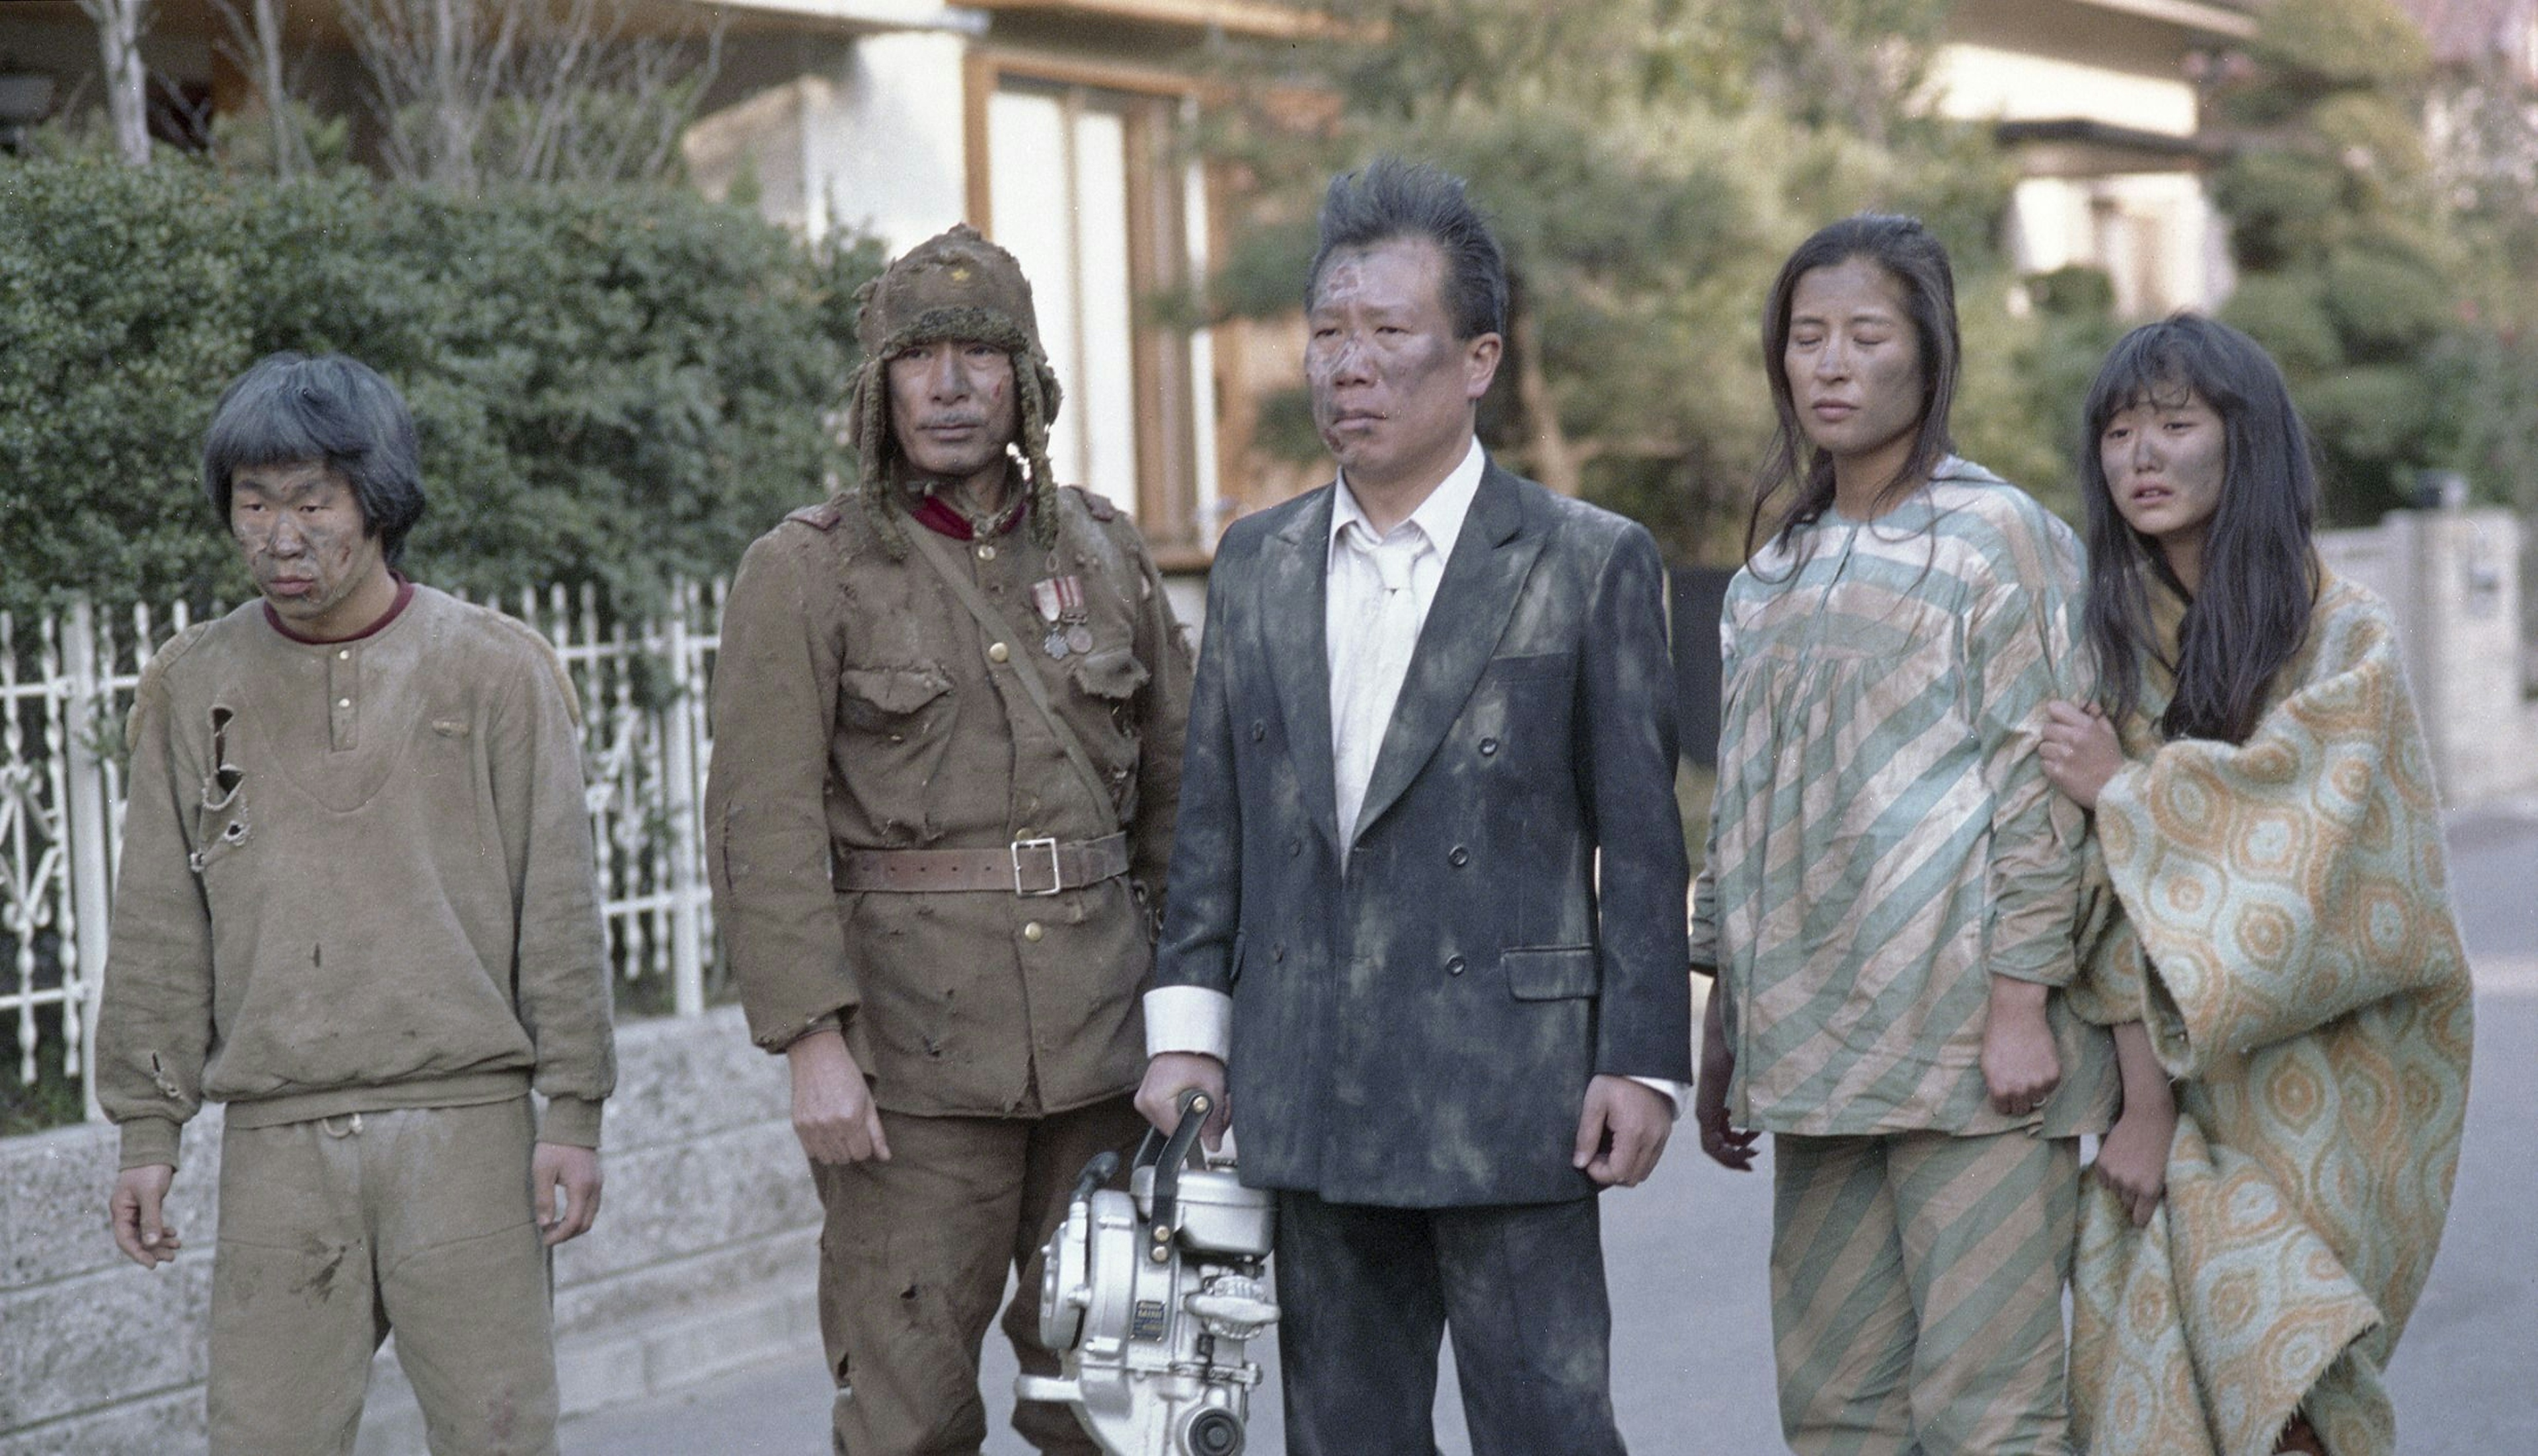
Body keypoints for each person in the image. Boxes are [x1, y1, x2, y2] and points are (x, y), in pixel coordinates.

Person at [1134, 157, 1692, 1455]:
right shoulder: (1259, 559)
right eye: (1328, 333)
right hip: (1311, 1080)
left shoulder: (1585, 557)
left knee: (1550, 1428)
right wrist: (1188, 1034)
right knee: (1343, 1434)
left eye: (1389, 332)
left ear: (1479, 358)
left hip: (1515, 1091)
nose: (1350, 366)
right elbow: (1213, 824)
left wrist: (1642, 1060)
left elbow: (1642, 843)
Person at [705, 223, 1193, 1456]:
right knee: (909, 1418)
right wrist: (811, 1044)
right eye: (920, 357)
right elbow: (762, 828)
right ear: (881, 389)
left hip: (1107, 1056)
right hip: (911, 1075)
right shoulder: (807, 572)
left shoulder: (1106, 550)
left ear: (1026, 381)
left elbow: (1181, 806)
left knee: (1112, 1409)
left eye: (981, 354)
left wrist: (1197, 1024)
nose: (952, 384)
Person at [95, 352, 616, 1455]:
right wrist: (148, 1129)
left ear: (376, 502)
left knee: (500, 1436)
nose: (280, 538)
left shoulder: (496, 669)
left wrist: (573, 1112)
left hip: (467, 1131)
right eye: (253, 503)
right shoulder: (194, 685)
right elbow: (157, 924)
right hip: (278, 1142)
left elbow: (560, 910)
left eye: (311, 501)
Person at [1688, 213, 2118, 1456]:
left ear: (1929, 354)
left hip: (1972, 1057)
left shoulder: (2002, 541)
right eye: (1806, 336)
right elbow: (1744, 810)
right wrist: (1726, 1019)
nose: (1830, 364)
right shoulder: (1771, 574)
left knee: (1990, 1413)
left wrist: (2022, 1000)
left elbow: (2041, 790)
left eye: (1866, 336)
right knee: (1836, 1412)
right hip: (1813, 1057)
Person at [2039, 314, 2475, 1456]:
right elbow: (2101, 893)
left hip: (2330, 1075)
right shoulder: (2110, 638)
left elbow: (2321, 849)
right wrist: (2145, 1107)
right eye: (2118, 432)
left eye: (2176, 425)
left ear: (2248, 440)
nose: (2141, 455)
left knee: (2298, 1380)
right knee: (2183, 1375)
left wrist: (2126, 791)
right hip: (2172, 1082)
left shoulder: (2346, 633)